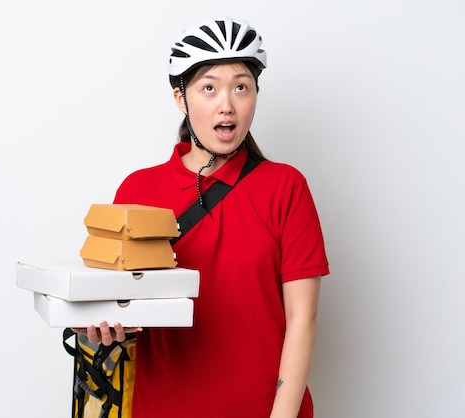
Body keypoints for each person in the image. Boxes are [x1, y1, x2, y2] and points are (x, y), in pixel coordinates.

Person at [77, 17, 329, 418]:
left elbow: (304, 318)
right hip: (162, 409)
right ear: (181, 98)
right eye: (208, 88)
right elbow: (120, 306)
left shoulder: (286, 187)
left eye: (241, 87)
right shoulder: (138, 192)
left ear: (255, 96)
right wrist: (96, 325)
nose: (226, 103)